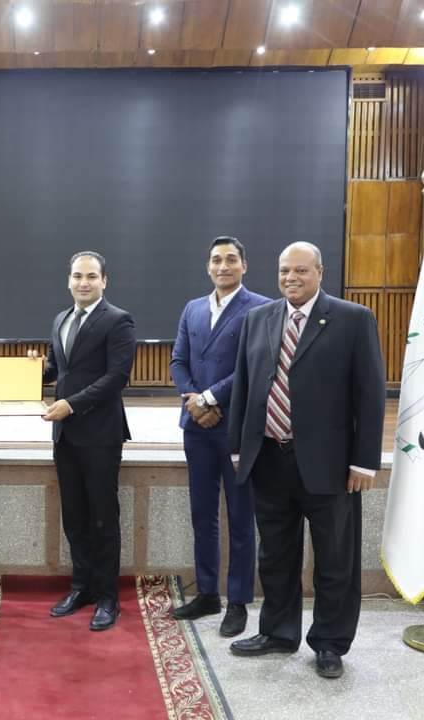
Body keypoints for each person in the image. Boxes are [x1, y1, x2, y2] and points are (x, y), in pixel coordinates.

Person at [227, 242, 385, 679]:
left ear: (320, 272)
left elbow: (370, 394)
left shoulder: (353, 319)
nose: (291, 278)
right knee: (275, 556)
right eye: (284, 271)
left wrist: (364, 462)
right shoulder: (258, 319)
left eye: (300, 270)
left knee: (335, 559)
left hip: (330, 466)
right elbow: (245, 386)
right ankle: (278, 633)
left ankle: (330, 642)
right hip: (268, 458)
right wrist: (239, 447)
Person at [169, 236, 268, 636]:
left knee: (241, 517)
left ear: (244, 265)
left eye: (230, 259)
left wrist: (209, 399)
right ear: (208, 266)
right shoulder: (192, 308)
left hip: (236, 428)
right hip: (196, 428)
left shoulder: (260, 309)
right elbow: (178, 360)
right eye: (216, 260)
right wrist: (194, 402)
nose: (222, 266)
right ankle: (207, 592)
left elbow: (253, 366)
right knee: (203, 514)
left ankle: (238, 602)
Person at [40, 251, 136, 632]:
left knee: (103, 518)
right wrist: (33, 371)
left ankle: (108, 597)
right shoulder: (60, 319)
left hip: (100, 436)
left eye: (91, 276)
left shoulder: (118, 320)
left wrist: (71, 405)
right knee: (75, 517)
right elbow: (57, 368)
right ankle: (81, 587)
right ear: (68, 280)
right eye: (77, 276)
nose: (84, 282)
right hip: (65, 436)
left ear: (104, 281)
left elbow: (116, 378)